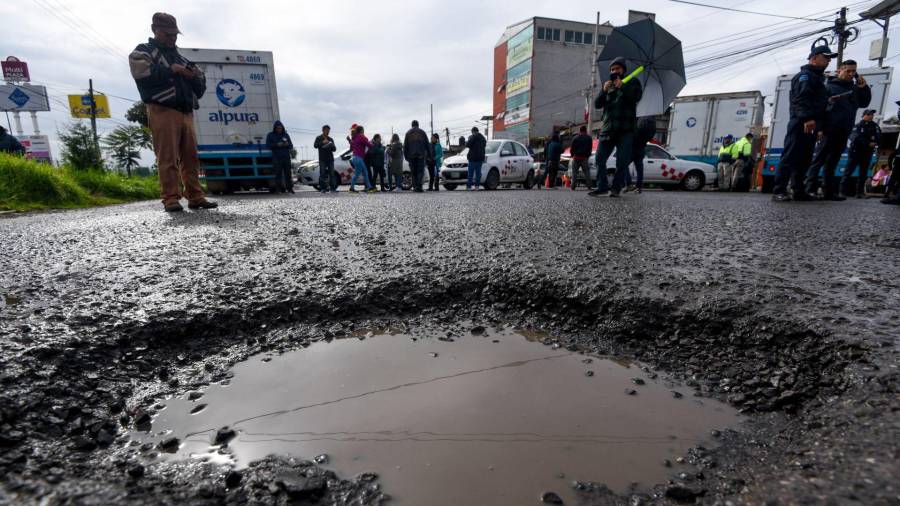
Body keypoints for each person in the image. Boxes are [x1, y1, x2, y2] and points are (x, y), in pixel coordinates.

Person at [129, 12, 216, 212]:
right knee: (167, 157)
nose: (172, 38)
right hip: (162, 110)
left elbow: (200, 86)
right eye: (167, 34)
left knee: (191, 158)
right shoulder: (143, 52)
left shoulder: (181, 57)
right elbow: (142, 75)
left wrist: (192, 75)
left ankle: (195, 196)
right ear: (154, 30)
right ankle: (170, 199)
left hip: (186, 112)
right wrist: (173, 71)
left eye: (174, 34)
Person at [772, 46, 836, 202]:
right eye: (825, 57)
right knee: (790, 156)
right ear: (814, 58)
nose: (828, 61)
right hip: (801, 122)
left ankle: (798, 190)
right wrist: (807, 118)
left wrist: (819, 126)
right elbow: (801, 98)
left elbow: (818, 105)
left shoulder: (818, 78)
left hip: (812, 124)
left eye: (829, 58)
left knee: (805, 159)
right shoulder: (805, 76)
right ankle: (779, 191)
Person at [804, 59, 871, 201]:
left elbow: (864, 103)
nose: (851, 74)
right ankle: (810, 189)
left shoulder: (854, 89)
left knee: (832, 162)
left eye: (854, 72)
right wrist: (820, 129)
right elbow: (820, 110)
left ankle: (828, 192)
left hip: (844, 130)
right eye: (848, 71)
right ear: (840, 70)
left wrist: (864, 87)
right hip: (829, 130)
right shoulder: (829, 87)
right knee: (819, 160)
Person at [589, 57, 643, 198]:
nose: (614, 71)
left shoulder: (632, 82)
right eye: (612, 69)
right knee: (599, 159)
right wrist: (603, 91)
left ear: (623, 70)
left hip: (626, 129)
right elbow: (597, 105)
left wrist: (622, 86)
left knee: (622, 161)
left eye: (617, 68)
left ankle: (616, 188)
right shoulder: (608, 85)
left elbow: (636, 97)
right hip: (608, 129)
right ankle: (602, 186)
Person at [841, 109, 880, 199]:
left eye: (872, 114)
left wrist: (875, 142)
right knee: (848, 172)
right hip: (856, 152)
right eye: (870, 114)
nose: (872, 116)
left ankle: (860, 193)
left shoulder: (875, 126)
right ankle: (842, 192)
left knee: (863, 173)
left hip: (867, 152)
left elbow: (878, 136)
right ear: (864, 115)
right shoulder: (858, 126)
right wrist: (867, 143)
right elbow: (854, 137)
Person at [627, 116, 656, 193]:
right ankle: (638, 187)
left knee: (623, 165)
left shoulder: (639, 117)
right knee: (639, 168)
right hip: (642, 147)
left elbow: (633, 131)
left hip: (633, 147)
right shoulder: (652, 120)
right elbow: (651, 135)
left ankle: (629, 184)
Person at [266, 121, 294, 193]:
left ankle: (290, 188)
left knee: (288, 173)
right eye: (278, 128)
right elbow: (268, 146)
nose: (279, 129)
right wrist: (277, 145)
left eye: (280, 128)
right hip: (276, 157)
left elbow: (291, 145)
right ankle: (278, 189)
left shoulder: (286, 135)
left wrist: (287, 144)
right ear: (275, 128)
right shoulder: (270, 135)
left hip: (286, 157)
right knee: (278, 174)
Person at [404, 120, 431, 192]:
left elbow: (405, 146)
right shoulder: (422, 132)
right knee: (420, 171)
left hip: (411, 156)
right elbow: (427, 145)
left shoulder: (408, 133)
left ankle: (415, 187)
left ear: (412, 125)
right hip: (421, 156)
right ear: (418, 125)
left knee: (413, 172)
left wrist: (406, 157)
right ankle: (419, 186)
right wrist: (429, 155)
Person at [349, 125, 376, 193]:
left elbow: (351, 147)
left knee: (365, 173)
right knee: (358, 174)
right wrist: (373, 144)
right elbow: (368, 145)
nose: (364, 131)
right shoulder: (361, 137)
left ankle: (369, 187)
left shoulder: (354, 137)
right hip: (359, 158)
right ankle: (352, 188)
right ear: (361, 130)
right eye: (363, 130)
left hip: (354, 158)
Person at [314, 125, 337, 193]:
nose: (328, 132)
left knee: (332, 174)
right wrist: (322, 142)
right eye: (326, 130)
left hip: (330, 158)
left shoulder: (330, 139)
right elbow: (315, 146)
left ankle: (333, 188)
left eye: (328, 131)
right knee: (322, 174)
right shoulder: (319, 138)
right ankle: (323, 189)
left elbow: (334, 149)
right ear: (323, 130)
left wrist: (331, 145)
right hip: (322, 159)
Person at [569, 126, 593, 190]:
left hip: (576, 157)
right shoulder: (589, 138)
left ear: (580, 130)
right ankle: (589, 186)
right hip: (584, 158)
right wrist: (588, 155)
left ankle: (573, 186)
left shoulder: (575, 138)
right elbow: (590, 148)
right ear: (585, 130)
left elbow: (572, 148)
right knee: (587, 172)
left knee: (574, 173)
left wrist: (572, 155)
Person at [465, 126, 487, 190]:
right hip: (480, 159)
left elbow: (468, 145)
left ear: (473, 132)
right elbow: (484, 145)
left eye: (472, 132)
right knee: (478, 174)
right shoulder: (483, 138)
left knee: (470, 174)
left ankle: (469, 186)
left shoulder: (472, 137)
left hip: (472, 159)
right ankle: (477, 186)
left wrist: (471, 138)